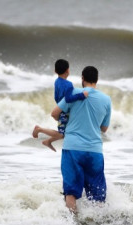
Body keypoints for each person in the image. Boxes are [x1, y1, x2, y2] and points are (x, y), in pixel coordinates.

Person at [51, 66, 112, 213]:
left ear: (82, 79)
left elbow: (54, 114)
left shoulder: (73, 93)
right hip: (95, 151)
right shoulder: (106, 99)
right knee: (98, 195)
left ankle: (73, 221)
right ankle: (97, 220)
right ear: (96, 80)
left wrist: (69, 118)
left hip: (73, 148)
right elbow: (104, 128)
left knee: (70, 192)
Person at [32, 59, 88, 151]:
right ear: (67, 70)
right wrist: (81, 95)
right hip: (65, 112)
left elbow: (56, 97)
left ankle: (48, 141)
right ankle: (39, 130)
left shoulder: (57, 81)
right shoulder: (68, 84)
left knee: (64, 133)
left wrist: (59, 106)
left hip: (61, 109)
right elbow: (68, 99)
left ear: (55, 71)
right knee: (61, 134)